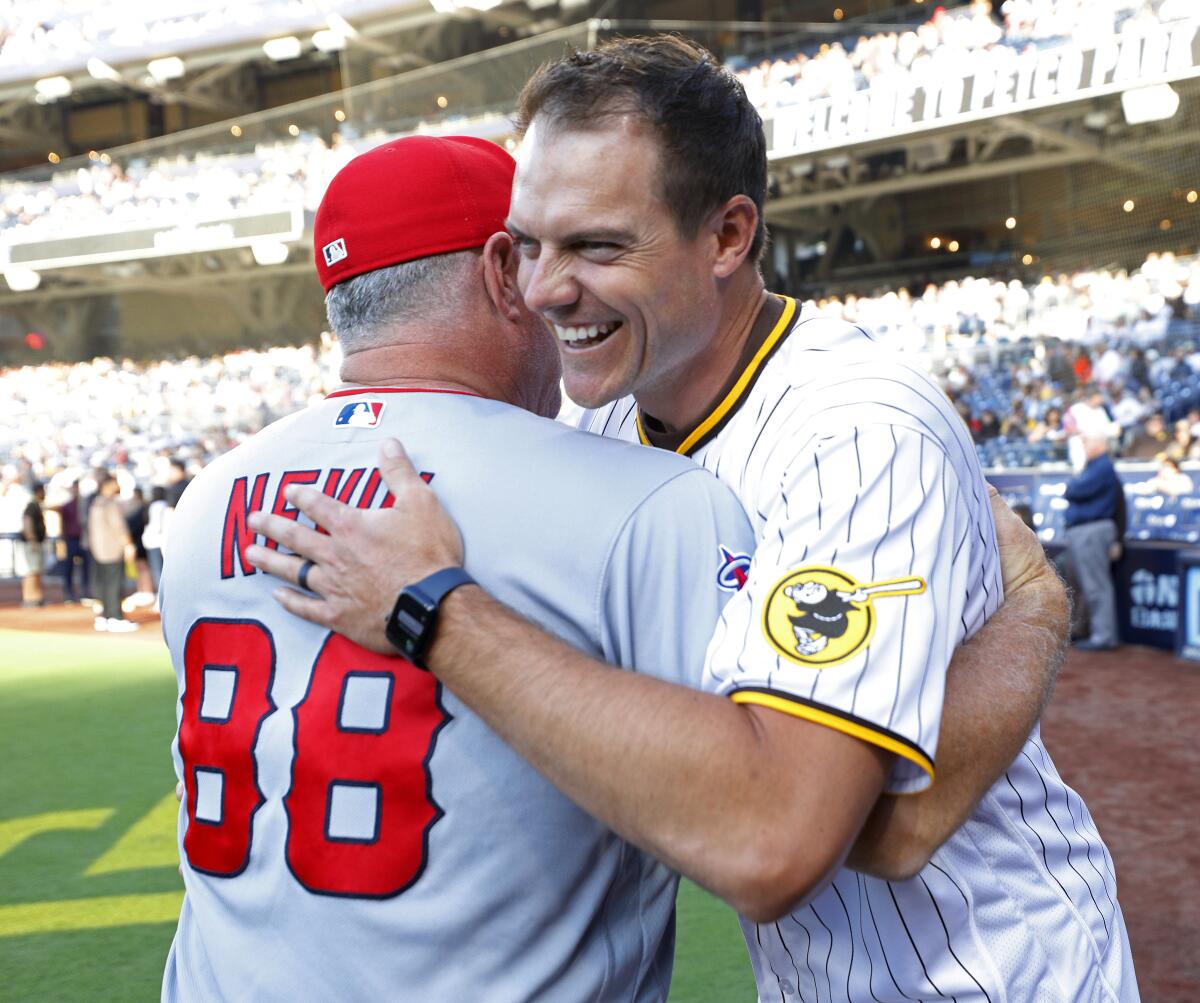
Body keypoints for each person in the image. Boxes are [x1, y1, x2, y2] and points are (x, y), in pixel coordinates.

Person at [249, 38, 1134, 1002]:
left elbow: (813, 834)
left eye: (596, 245)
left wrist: (437, 610)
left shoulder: (856, 431)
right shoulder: (599, 412)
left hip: (992, 971)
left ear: (726, 236)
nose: (544, 289)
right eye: (529, 243)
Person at [160, 135, 757, 1001]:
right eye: (548, 251)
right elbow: (760, 825)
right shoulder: (646, 499)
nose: (562, 286)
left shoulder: (206, 499)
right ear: (499, 271)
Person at [1064, 434, 1123, 652]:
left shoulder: (1102, 466)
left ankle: (1104, 636)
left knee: (1096, 586)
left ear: (1100, 444)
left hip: (1093, 529)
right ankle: (1089, 631)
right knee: (1085, 585)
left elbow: (1074, 490)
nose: (1084, 445)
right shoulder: (1093, 466)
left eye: (1088, 441)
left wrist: (1073, 483)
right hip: (1084, 531)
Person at [87, 473, 137, 633]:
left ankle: (104, 616)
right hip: (112, 549)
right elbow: (118, 527)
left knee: (102, 584)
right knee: (114, 584)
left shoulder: (96, 503)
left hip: (98, 549)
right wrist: (128, 545)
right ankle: (115, 616)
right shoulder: (109, 504)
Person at [54, 480, 89, 602]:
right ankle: (69, 592)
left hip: (83, 539)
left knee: (87, 567)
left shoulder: (86, 505)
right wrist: (63, 539)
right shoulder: (66, 506)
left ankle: (86, 591)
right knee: (68, 567)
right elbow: (63, 524)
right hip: (71, 539)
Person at [17, 482, 46, 608]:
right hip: (32, 543)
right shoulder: (32, 506)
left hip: (34, 542)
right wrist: (32, 539)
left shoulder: (35, 505)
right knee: (31, 571)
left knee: (35, 571)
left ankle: (35, 597)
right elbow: (27, 522)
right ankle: (30, 598)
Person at [142, 485, 169, 591]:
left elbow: (154, 526)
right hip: (162, 541)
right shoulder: (165, 505)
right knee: (163, 570)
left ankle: (160, 594)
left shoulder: (153, 506)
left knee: (157, 570)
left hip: (152, 541)